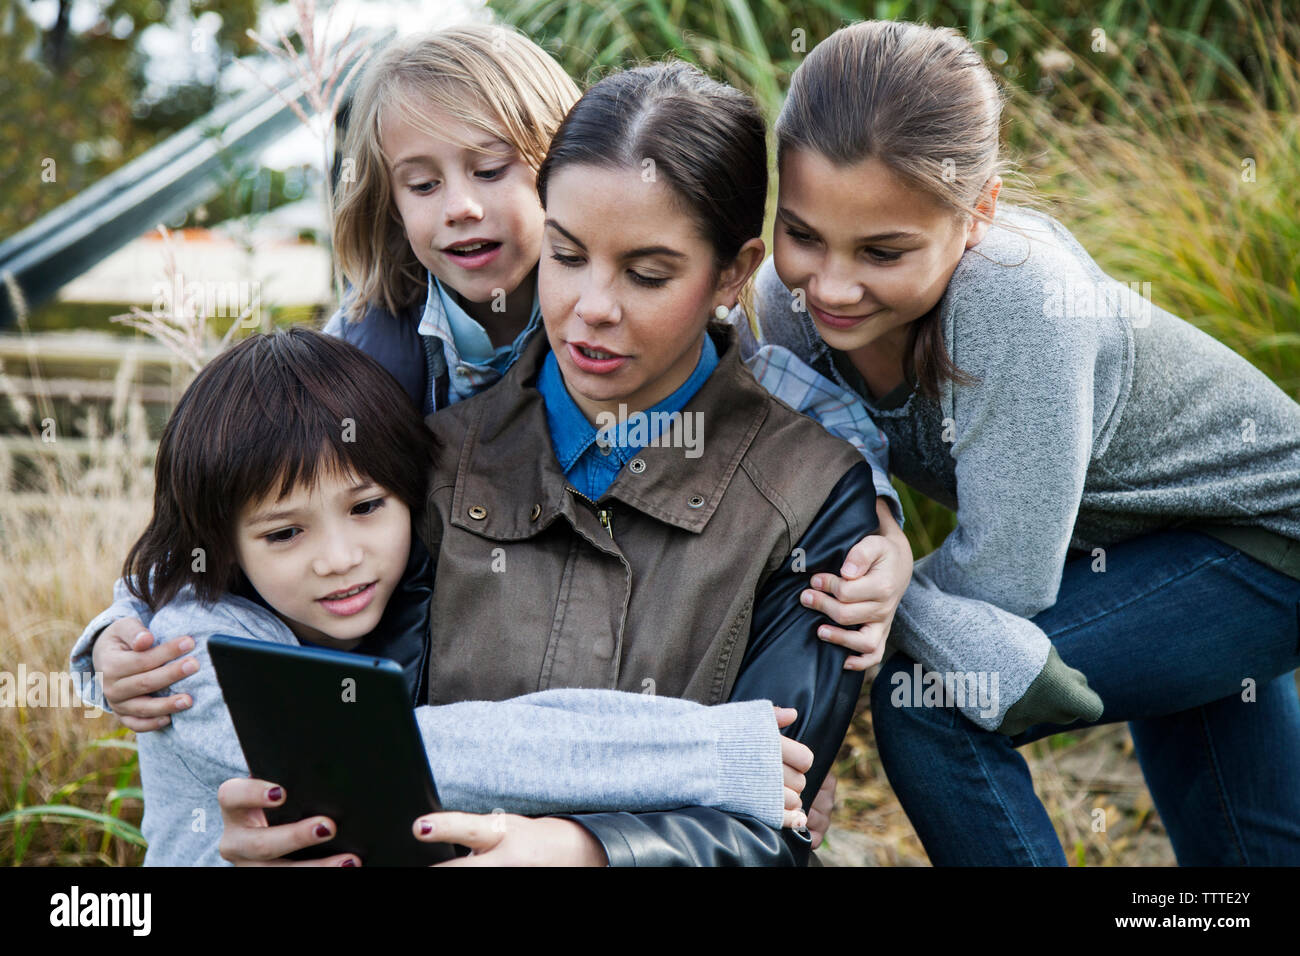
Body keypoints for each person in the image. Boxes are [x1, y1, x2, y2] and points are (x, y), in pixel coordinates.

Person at [748, 18, 1300, 864]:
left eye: (884, 250)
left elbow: (1003, 584)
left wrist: (889, 588)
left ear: (981, 212)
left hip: (1259, 542)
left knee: (933, 698)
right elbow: (802, 523)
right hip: (1131, 556)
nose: (831, 284)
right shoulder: (786, 311)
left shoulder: (1018, 297)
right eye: (803, 234)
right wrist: (786, 750)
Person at [71, 327, 815, 866]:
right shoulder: (188, 657)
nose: (338, 559)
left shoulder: (410, 583)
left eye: (366, 508)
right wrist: (709, 753)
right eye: (284, 534)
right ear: (224, 543)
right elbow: (423, 752)